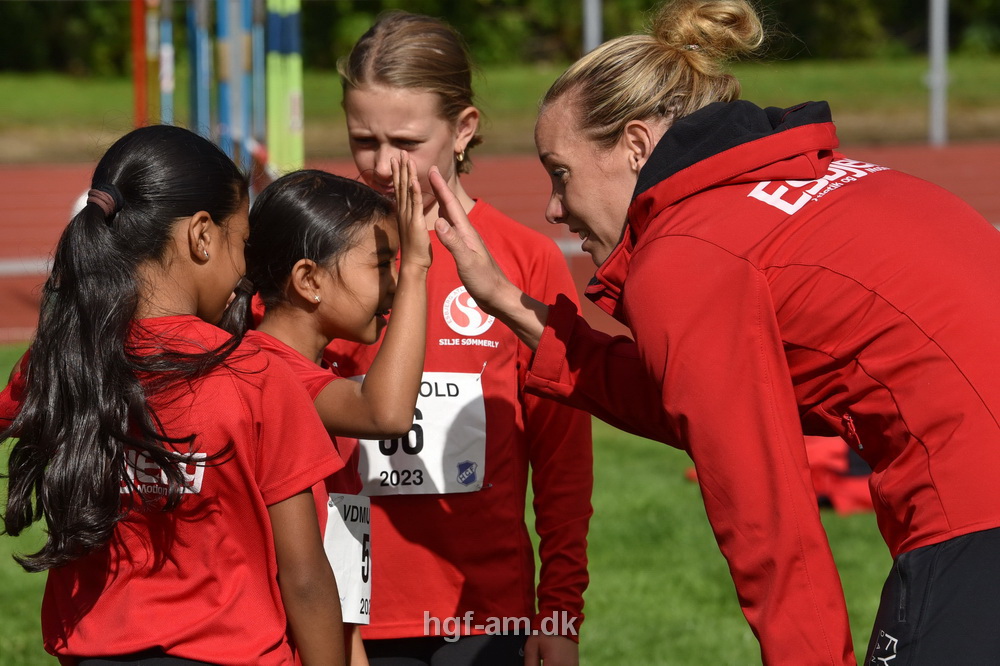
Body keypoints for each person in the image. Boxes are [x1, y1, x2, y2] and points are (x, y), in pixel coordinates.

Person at [429, 0, 1000, 664]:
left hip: (974, 511)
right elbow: (698, 404)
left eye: (561, 173)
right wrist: (512, 304)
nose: (555, 207)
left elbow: (770, 529)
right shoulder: (795, 183)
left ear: (637, 145)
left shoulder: (688, 255)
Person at [0, 125, 346, 666]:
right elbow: (303, 574)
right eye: (243, 243)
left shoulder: (62, 358)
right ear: (202, 236)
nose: (245, 270)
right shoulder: (256, 372)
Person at [329, 11, 593, 666]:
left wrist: (559, 612)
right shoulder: (322, 260)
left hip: (487, 617)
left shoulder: (525, 261)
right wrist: (329, 618)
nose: (384, 164)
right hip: (354, 619)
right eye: (364, 139)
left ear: (463, 129)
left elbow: (562, 466)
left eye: (407, 141)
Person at [224, 157, 432, 666]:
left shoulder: (313, 369)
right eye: (382, 265)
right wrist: (419, 272)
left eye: (399, 266)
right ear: (308, 279)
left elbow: (336, 546)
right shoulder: (266, 373)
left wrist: (351, 648)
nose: (392, 282)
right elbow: (386, 413)